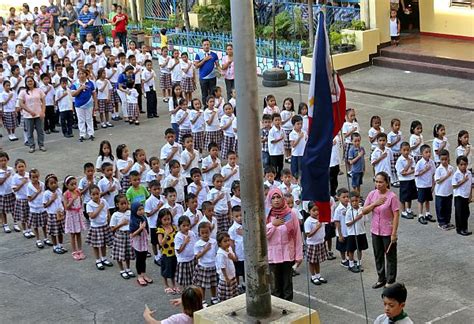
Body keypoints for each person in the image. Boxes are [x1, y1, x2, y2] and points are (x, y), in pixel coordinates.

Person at [362, 172, 400, 289]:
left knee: (390, 256)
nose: (378, 184)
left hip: (387, 230)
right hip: (375, 230)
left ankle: (390, 279)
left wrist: (394, 233)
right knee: (378, 255)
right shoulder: (372, 194)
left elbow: (396, 215)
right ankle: (381, 278)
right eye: (376, 181)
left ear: (386, 183)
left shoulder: (392, 197)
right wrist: (375, 204)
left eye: (381, 182)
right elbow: (364, 211)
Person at [265, 188, 303, 301]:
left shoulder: (290, 214)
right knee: (275, 287)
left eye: (278, 197)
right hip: (273, 256)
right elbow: (262, 235)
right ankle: (278, 310)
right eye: (273, 198)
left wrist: (298, 256)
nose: (276, 200)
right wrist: (273, 225)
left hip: (287, 255)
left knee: (287, 284)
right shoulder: (266, 215)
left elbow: (297, 235)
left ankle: (288, 310)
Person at [86, 185, 114, 270]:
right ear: (90, 195)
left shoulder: (104, 201)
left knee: (103, 243)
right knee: (96, 244)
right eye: (93, 194)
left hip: (104, 225)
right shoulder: (89, 204)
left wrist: (109, 222)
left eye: (97, 194)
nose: (96, 196)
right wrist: (99, 208)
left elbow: (108, 212)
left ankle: (104, 258)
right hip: (96, 227)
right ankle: (98, 260)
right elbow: (92, 216)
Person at [110, 194, 136, 279]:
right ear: (117, 205)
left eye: (125, 203)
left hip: (129, 235)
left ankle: (128, 268)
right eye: (122, 204)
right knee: (120, 254)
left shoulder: (130, 212)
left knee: (127, 253)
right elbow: (112, 228)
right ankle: (122, 270)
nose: (124, 205)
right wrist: (121, 224)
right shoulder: (115, 215)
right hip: (120, 235)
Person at [18, 76, 46, 153]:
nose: (30, 83)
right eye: (28, 81)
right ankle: (31, 146)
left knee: (40, 131)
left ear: (34, 81)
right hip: (28, 115)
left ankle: (41, 145)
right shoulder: (23, 92)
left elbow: (43, 102)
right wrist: (30, 111)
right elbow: (21, 104)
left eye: (31, 81)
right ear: (26, 83)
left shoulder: (39, 90)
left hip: (39, 114)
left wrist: (43, 112)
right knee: (29, 132)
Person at [305, 202, 328, 285]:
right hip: (312, 244)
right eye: (313, 210)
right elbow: (308, 235)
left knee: (317, 260)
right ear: (309, 211)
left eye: (317, 210)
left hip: (320, 242)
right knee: (312, 261)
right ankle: (313, 276)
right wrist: (317, 228)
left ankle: (318, 275)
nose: (316, 212)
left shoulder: (321, 219)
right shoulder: (308, 221)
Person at [130, 202, 153, 285]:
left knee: (144, 259)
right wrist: (140, 228)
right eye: (139, 210)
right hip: (137, 243)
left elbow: (146, 228)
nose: (141, 211)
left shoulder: (143, 217)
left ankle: (144, 274)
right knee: (139, 260)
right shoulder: (133, 220)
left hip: (144, 242)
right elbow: (132, 234)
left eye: (142, 209)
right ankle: (139, 276)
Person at [63, 175, 86, 260]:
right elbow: (66, 207)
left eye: (75, 184)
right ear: (67, 185)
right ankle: (74, 251)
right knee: (73, 234)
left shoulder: (77, 191)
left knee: (78, 233)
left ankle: (80, 250)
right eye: (72, 184)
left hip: (78, 214)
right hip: (71, 215)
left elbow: (80, 202)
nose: (74, 186)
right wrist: (72, 199)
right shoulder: (66, 194)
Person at [43, 174, 66, 255]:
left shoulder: (59, 191)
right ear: (47, 185)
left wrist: (64, 209)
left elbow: (62, 201)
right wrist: (52, 200)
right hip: (52, 214)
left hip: (60, 213)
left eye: (55, 182)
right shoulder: (46, 193)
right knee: (53, 232)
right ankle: (55, 246)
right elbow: (44, 205)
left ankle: (60, 245)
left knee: (60, 231)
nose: (53, 185)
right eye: (51, 183)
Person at [71, 69, 97, 142]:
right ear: (78, 75)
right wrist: (80, 88)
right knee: (81, 120)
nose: (81, 75)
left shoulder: (90, 83)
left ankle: (91, 134)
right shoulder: (75, 84)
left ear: (86, 74)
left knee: (89, 119)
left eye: (83, 73)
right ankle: (82, 134)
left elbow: (94, 93)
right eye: (80, 74)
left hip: (89, 103)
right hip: (79, 105)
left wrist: (96, 104)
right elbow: (73, 94)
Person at [157, 208, 178, 293]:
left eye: (168, 219)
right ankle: (166, 285)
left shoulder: (174, 227)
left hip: (174, 253)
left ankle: (174, 285)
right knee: (165, 269)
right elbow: (161, 243)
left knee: (173, 269)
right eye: (164, 220)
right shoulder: (160, 230)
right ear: (160, 220)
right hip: (166, 253)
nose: (167, 221)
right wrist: (165, 236)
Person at [174, 215, 197, 290]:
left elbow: (195, 244)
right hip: (184, 261)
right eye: (183, 226)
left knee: (193, 278)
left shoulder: (191, 233)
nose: (186, 227)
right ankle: (186, 293)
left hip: (192, 259)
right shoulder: (178, 236)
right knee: (185, 280)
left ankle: (192, 292)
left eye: (188, 225)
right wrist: (185, 242)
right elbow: (179, 250)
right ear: (179, 226)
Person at [194, 39, 219, 104]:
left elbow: (218, 66)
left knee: (212, 94)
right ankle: (205, 107)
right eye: (205, 45)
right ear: (202, 46)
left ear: (210, 45)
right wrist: (204, 60)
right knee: (204, 94)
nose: (206, 46)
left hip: (212, 78)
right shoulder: (198, 54)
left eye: (208, 44)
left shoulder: (214, 54)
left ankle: (212, 107)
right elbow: (196, 66)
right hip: (203, 78)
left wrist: (221, 72)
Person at [452, 155, 472, 236]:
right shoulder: (456, 174)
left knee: (466, 212)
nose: (463, 166)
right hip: (459, 196)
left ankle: (465, 228)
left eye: (465, 164)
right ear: (458, 165)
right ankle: (460, 229)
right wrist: (463, 181)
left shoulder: (469, 173)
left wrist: (471, 195)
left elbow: (471, 184)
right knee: (459, 213)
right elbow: (454, 185)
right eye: (461, 164)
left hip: (466, 195)